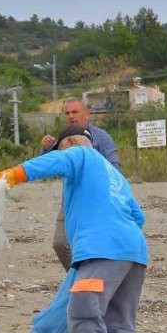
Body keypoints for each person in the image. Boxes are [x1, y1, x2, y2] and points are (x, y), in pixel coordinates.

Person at [0, 124, 147, 333]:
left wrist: (13, 175)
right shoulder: (114, 175)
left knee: (84, 312)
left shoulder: (81, 155)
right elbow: (138, 215)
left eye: (61, 147)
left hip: (102, 250)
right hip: (134, 254)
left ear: (74, 141)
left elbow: (56, 162)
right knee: (119, 322)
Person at [41, 98, 121, 270]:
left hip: (97, 204)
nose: (70, 116)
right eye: (67, 113)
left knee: (93, 248)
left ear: (87, 114)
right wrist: (46, 149)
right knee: (60, 243)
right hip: (70, 202)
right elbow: (46, 167)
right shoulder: (64, 139)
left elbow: (116, 169)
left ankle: (89, 283)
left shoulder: (102, 138)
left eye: (75, 112)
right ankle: (79, 278)